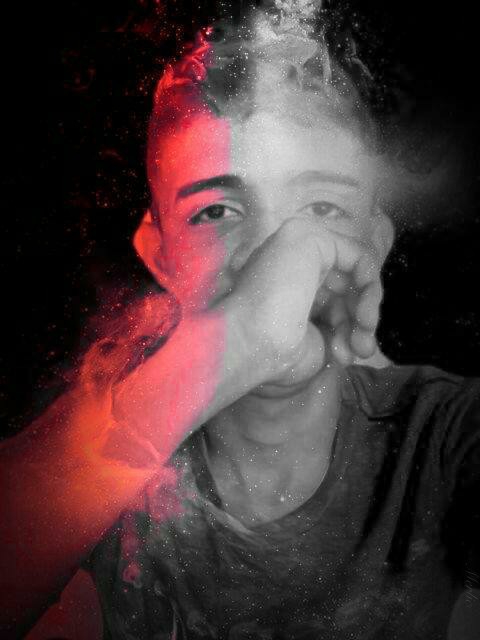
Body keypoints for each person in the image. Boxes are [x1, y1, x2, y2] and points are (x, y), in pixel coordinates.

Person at [1, 3, 479, 639]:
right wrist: (230, 346)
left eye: (322, 209)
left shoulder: (446, 433)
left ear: (374, 245)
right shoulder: (102, 456)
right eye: (216, 212)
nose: (274, 261)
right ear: (159, 253)